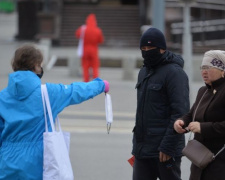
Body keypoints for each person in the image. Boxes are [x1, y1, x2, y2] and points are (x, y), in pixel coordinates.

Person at [0, 45, 109, 179]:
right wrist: (101, 85)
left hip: (7, 161)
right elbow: (75, 91)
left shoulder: (2, 97)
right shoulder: (48, 93)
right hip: (37, 162)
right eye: (40, 65)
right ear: (35, 66)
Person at [131, 27, 190, 180]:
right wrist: (136, 146)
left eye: (150, 48)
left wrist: (168, 146)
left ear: (162, 49)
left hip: (165, 151)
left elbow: (180, 113)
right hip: (142, 150)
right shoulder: (144, 71)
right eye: (143, 48)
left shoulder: (174, 73)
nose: (146, 51)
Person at [174, 50, 225, 180]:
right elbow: (192, 114)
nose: (204, 71)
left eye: (208, 67)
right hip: (200, 160)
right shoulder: (203, 91)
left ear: (222, 70)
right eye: (202, 67)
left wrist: (203, 128)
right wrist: (182, 122)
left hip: (219, 161)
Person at [75, 13, 104, 82]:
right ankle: (96, 81)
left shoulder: (83, 29)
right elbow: (101, 40)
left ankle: (86, 81)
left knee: (85, 66)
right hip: (94, 50)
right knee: (95, 67)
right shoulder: (98, 30)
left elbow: (77, 34)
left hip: (85, 50)